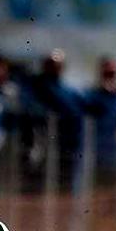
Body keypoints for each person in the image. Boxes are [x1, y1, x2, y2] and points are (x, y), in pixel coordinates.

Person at [26, 50, 84, 191]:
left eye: (57, 65)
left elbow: (74, 112)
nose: (53, 68)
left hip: (64, 148)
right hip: (40, 145)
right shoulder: (33, 86)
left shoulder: (69, 92)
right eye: (50, 64)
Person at [84, 57, 116, 183]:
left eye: (113, 73)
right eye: (106, 73)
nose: (110, 77)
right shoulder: (92, 97)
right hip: (96, 157)